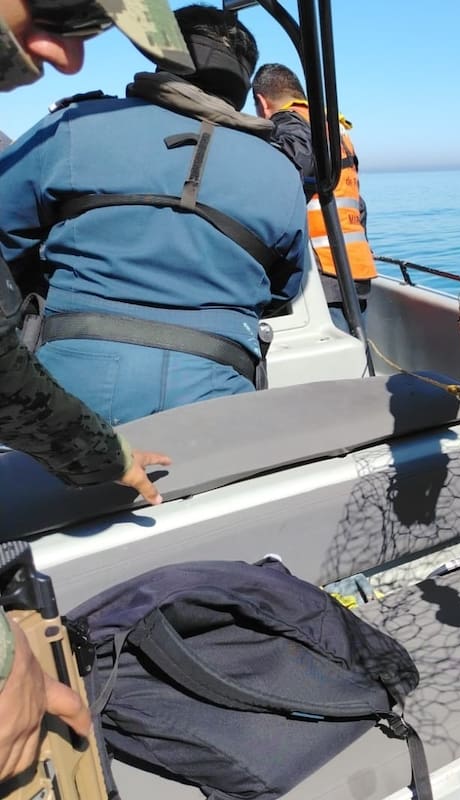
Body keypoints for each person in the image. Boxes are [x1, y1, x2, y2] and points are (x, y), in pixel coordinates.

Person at [0, 0, 193, 782]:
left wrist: (95, 450)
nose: (68, 59)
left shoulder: (66, 133)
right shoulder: (280, 161)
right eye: (56, 8)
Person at [0, 4, 309, 427]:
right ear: (242, 82)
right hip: (221, 397)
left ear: (163, 56)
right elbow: (283, 290)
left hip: (66, 393)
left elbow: (6, 232)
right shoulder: (282, 172)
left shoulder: (74, 125)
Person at [252, 62, 377, 334]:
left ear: (262, 102)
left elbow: (290, 168)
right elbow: (358, 204)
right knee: (355, 351)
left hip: (322, 271)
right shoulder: (332, 128)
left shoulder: (290, 122)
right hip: (354, 265)